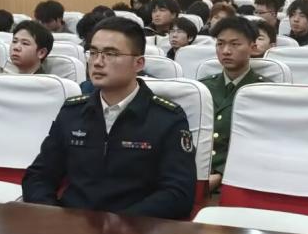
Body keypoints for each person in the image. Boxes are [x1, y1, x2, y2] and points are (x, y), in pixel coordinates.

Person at [21, 16, 194, 219]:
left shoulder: (167, 118)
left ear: (138, 63)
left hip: (136, 229)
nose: (97, 62)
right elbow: (38, 177)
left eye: (110, 54)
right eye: (93, 52)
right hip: (73, 227)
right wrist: (55, 216)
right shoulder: (73, 112)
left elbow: (178, 194)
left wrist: (120, 223)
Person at [199, 17, 267, 191]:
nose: (226, 51)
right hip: (197, 174)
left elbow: (262, 144)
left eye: (235, 44)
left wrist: (221, 173)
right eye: (220, 44)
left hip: (242, 180)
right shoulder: (202, 88)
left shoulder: (266, 91)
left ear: (253, 47)